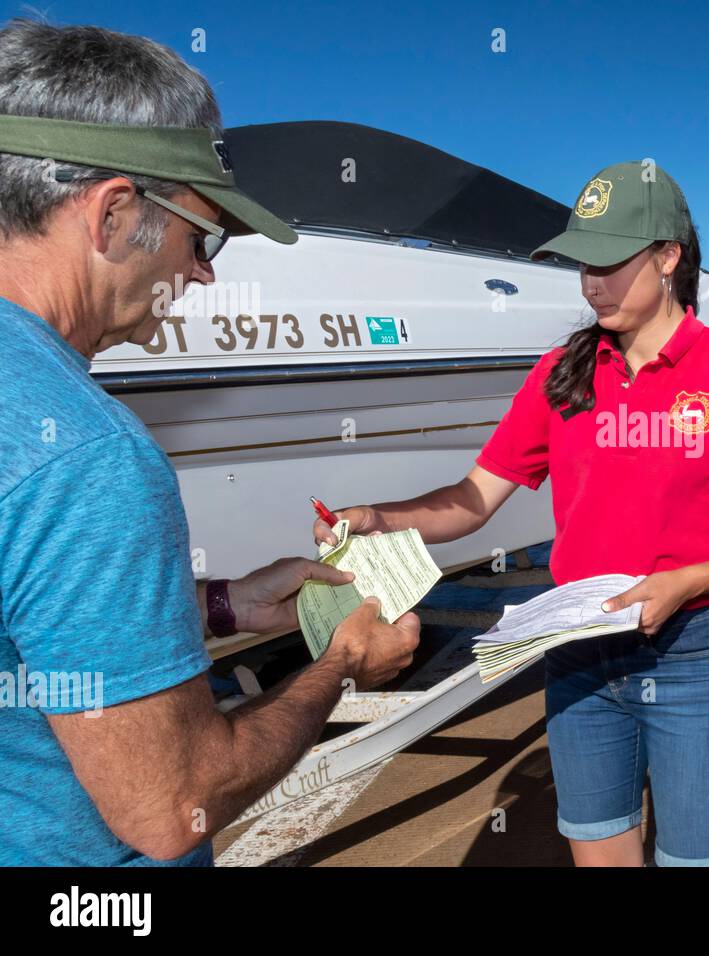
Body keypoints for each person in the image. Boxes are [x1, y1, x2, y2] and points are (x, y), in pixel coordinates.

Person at [314, 162, 709, 866]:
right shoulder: (561, 374)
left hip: (692, 657)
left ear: (669, 256)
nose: (590, 281)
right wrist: (378, 518)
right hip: (579, 654)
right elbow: (472, 500)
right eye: (583, 261)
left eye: (609, 261)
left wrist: (687, 582)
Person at [0, 20, 420, 866]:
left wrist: (225, 606)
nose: (204, 274)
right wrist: (340, 665)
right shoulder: (89, 456)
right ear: (115, 213)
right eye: (204, 237)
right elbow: (172, 801)